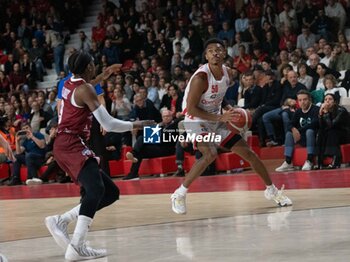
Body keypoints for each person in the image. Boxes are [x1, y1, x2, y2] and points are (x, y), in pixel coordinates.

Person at [44, 51, 151, 261]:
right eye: (93, 64)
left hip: (66, 144)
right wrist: (137, 124)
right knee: (96, 189)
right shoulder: (86, 89)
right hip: (71, 143)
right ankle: (77, 246)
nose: (95, 66)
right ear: (88, 67)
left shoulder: (69, 82)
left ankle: (61, 221)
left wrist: (106, 74)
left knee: (110, 192)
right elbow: (108, 123)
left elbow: (88, 84)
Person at [171, 39, 292, 215]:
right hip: (195, 119)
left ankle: (271, 191)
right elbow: (190, 108)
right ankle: (179, 194)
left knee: (249, 154)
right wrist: (221, 116)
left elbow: (219, 98)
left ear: (224, 54)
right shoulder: (201, 77)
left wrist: (228, 108)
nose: (215, 53)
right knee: (210, 153)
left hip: (217, 116)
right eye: (211, 51)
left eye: (218, 50)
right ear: (206, 56)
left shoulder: (228, 73)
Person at [275, 90, 319, 172]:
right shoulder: (298, 111)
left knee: (309, 131)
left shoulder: (316, 109)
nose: (303, 102)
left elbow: (314, 124)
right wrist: (293, 129)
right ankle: (288, 162)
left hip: (314, 137)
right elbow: (290, 124)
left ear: (309, 100)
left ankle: (310, 160)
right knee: (289, 133)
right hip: (302, 137)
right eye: (300, 100)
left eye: (305, 99)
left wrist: (298, 131)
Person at [316, 93, 350, 169]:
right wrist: (320, 115)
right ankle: (320, 163)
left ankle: (336, 161)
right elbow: (322, 127)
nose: (327, 101)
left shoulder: (341, 110)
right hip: (333, 134)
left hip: (345, 134)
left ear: (334, 102)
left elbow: (332, 125)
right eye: (325, 99)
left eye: (330, 99)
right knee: (320, 133)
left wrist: (326, 113)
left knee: (332, 132)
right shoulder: (325, 111)